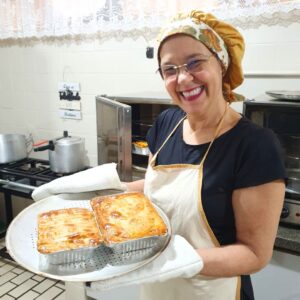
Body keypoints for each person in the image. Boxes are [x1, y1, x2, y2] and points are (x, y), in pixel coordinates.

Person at [32, 10, 286, 300]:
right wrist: (113, 191)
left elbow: (254, 254)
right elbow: (166, 188)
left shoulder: (254, 145)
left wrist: (181, 262)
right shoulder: (167, 123)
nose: (183, 78)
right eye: (170, 69)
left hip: (213, 290)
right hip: (159, 290)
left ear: (221, 64)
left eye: (195, 62)